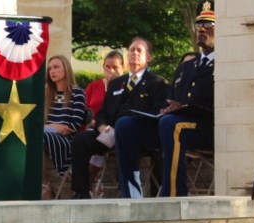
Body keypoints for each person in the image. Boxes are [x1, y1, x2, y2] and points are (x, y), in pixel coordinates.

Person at [114, 1, 216, 198]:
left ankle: (173, 194)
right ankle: (131, 196)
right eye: (199, 24)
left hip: (207, 127)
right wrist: (169, 108)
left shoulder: (225, 64)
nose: (202, 29)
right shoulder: (187, 66)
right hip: (174, 123)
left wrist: (184, 109)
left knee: (171, 124)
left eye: (209, 25)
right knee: (125, 125)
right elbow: (171, 99)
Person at [68, 39, 167, 199]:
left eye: (139, 51)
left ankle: (126, 193)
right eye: (132, 50)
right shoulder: (116, 83)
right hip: (109, 133)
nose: (134, 53)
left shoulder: (157, 82)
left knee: (125, 134)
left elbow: (156, 114)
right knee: (80, 141)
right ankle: (81, 192)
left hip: (136, 135)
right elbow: (102, 112)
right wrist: (101, 127)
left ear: (148, 58)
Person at [42, 54, 87, 198]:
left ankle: (44, 185)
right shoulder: (47, 94)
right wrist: (53, 126)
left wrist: (47, 128)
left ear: (66, 69)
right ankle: (45, 182)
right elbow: (39, 124)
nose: (52, 71)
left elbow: (72, 127)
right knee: (36, 137)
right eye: (50, 69)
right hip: (46, 134)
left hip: (66, 140)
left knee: (39, 137)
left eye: (56, 67)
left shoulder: (77, 93)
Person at [82, 50, 125, 130]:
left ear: (123, 68)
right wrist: (92, 122)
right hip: (93, 129)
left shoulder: (127, 87)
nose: (111, 71)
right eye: (108, 67)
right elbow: (83, 110)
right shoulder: (93, 86)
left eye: (115, 67)